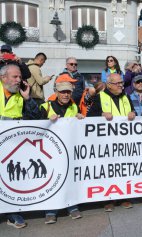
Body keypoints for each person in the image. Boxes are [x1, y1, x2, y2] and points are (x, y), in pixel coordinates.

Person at [0, 63, 42, 228]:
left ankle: (12, 213)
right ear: (3, 78)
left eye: (20, 77)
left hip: (12, 148)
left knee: (11, 180)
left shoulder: (21, 95)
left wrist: (28, 99)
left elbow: (36, 118)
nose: (19, 80)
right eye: (15, 77)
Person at [87, 73, 136, 211]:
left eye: (122, 82)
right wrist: (101, 115)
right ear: (109, 85)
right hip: (106, 143)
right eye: (118, 83)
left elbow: (132, 112)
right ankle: (108, 199)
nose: (121, 85)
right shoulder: (99, 97)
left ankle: (124, 197)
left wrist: (133, 113)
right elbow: (89, 118)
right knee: (108, 171)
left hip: (125, 142)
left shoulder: (126, 96)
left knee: (123, 170)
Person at [40, 81, 84, 224]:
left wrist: (80, 119)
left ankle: (72, 206)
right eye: (62, 92)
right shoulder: (45, 107)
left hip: (69, 149)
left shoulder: (74, 107)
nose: (66, 94)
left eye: (68, 92)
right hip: (50, 151)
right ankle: (51, 210)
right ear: (56, 93)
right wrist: (46, 120)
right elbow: (35, 126)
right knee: (51, 179)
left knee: (70, 177)